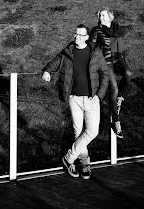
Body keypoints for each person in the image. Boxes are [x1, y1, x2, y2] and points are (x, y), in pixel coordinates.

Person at [42, 24, 109, 180]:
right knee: (78, 132)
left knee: (92, 131)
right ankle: (85, 165)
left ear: (86, 37)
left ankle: (69, 158)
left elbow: (105, 74)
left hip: (92, 98)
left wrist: (99, 95)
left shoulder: (95, 52)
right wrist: (46, 71)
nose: (76, 37)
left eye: (80, 35)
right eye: (75, 34)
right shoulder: (68, 52)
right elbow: (54, 63)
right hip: (74, 98)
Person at [89, 8, 132, 139]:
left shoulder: (117, 29)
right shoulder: (96, 30)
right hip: (106, 61)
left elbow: (122, 47)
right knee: (113, 87)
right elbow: (91, 46)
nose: (100, 17)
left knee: (128, 74)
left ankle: (120, 98)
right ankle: (116, 121)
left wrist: (123, 60)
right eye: (99, 15)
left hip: (118, 59)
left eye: (103, 15)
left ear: (110, 17)